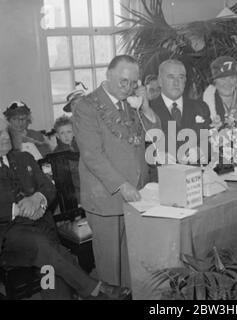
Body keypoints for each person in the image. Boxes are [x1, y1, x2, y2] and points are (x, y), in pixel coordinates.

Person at [0, 116, 131, 300]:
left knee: (50, 262)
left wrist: (38, 199)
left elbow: (49, 188)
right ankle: (95, 289)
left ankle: (81, 291)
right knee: (45, 247)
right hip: (9, 236)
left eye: (5, 132)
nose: (4, 137)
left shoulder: (24, 158)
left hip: (41, 229)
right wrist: (18, 209)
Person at [72, 55, 160, 289]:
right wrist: (121, 184)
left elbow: (154, 134)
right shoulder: (86, 106)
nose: (128, 87)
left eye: (133, 83)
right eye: (123, 81)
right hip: (106, 198)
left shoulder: (131, 103)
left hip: (137, 196)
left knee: (133, 261)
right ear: (108, 75)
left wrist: (146, 105)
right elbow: (92, 155)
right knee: (110, 267)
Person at [150, 59, 211, 161]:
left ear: (185, 81)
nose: (176, 82)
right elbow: (140, 147)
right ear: (160, 81)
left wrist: (200, 150)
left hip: (195, 173)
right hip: (162, 174)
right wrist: (155, 155)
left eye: (181, 77)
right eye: (171, 77)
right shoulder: (148, 110)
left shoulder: (201, 108)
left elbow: (210, 140)